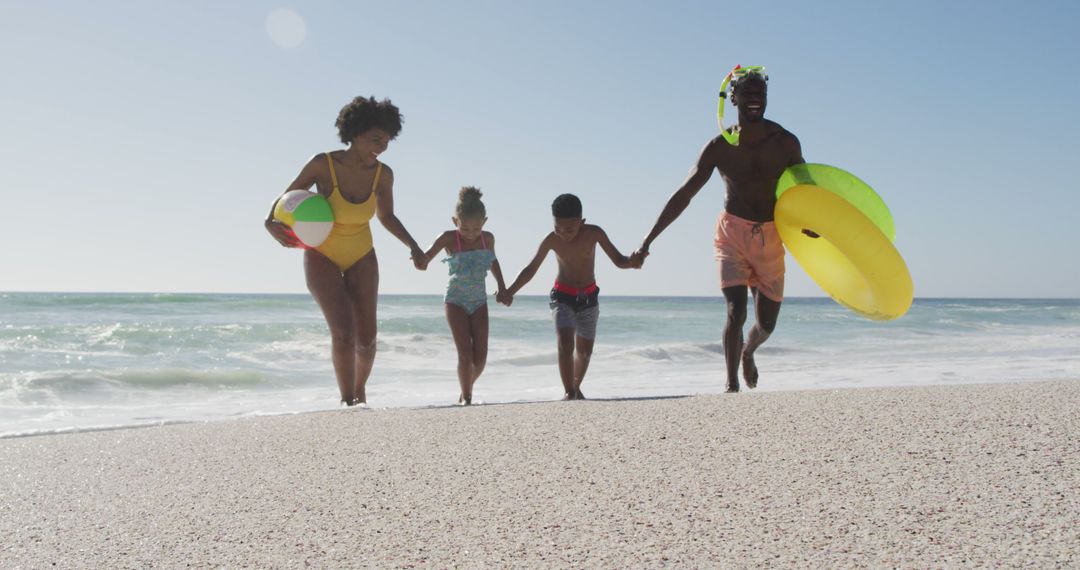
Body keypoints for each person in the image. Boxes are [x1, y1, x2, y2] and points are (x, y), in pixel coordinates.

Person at [633, 66, 805, 392]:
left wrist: (816, 231)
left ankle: (748, 351)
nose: (755, 100)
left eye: (761, 95)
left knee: (766, 325)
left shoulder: (785, 143)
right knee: (735, 311)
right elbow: (684, 194)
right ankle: (730, 385)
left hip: (772, 234)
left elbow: (806, 192)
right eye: (748, 95)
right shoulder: (719, 146)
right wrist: (648, 239)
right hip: (732, 233)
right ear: (734, 98)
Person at [265, 95, 426, 406]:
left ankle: (359, 389)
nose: (381, 146)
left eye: (387, 140)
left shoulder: (383, 175)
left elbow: (386, 216)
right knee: (343, 333)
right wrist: (268, 223)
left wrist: (414, 246)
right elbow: (284, 197)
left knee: (366, 341)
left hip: (361, 253)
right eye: (375, 139)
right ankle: (346, 402)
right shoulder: (323, 165)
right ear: (355, 133)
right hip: (321, 253)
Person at [501, 194, 642, 400]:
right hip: (562, 297)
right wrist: (510, 291)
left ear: (582, 222)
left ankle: (576, 387)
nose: (563, 234)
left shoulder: (594, 233)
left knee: (584, 353)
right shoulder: (551, 240)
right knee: (565, 343)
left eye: (569, 229)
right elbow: (530, 270)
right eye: (558, 228)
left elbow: (619, 260)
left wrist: (633, 262)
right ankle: (568, 392)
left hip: (589, 299)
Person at [418, 187, 508, 405]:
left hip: (479, 301)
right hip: (455, 300)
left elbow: (493, 261)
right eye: (465, 228)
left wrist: (502, 287)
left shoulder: (488, 239)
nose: (470, 234)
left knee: (481, 359)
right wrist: (419, 259)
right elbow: (425, 259)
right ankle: (467, 398)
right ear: (454, 221)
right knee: (465, 355)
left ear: (484, 222)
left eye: (476, 228)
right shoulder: (448, 238)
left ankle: (464, 389)